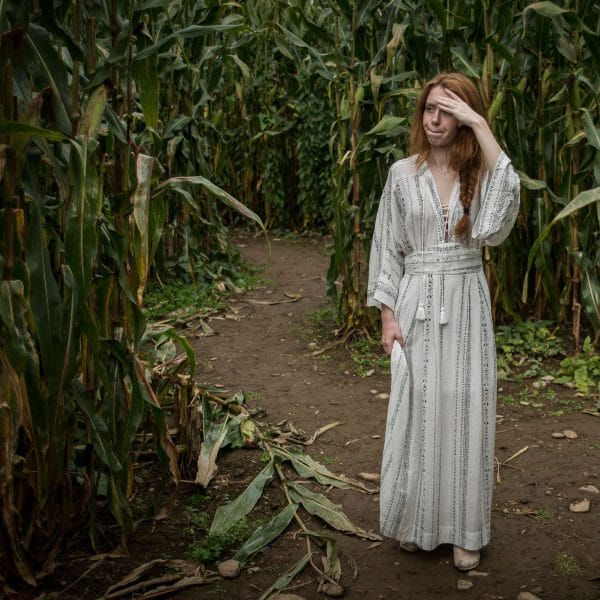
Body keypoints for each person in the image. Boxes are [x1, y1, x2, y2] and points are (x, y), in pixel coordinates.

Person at [367, 72, 520, 571]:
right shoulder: (400, 174)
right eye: (429, 109)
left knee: (467, 408)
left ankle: (464, 530)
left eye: (447, 111)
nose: (435, 120)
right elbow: (388, 247)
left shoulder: (482, 178)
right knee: (420, 409)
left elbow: (500, 218)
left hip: (467, 300)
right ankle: (418, 521)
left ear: (464, 119)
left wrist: (480, 123)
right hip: (415, 302)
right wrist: (388, 315)